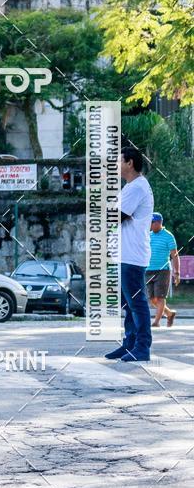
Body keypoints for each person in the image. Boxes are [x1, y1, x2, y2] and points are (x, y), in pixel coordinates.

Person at [105, 146, 154, 363]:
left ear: (129, 163)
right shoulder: (130, 187)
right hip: (125, 254)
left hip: (132, 255)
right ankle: (130, 344)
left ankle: (142, 347)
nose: (115, 165)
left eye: (118, 161)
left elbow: (115, 217)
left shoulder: (137, 187)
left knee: (137, 303)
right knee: (127, 303)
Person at [146, 212, 179, 327]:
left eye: (152, 223)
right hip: (148, 270)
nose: (149, 225)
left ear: (159, 223)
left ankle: (156, 322)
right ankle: (169, 313)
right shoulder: (148, 235)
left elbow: (175, 255)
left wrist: (177, 272)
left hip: (163, 270)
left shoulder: (168, 236)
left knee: (160, 297)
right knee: (152, 299)